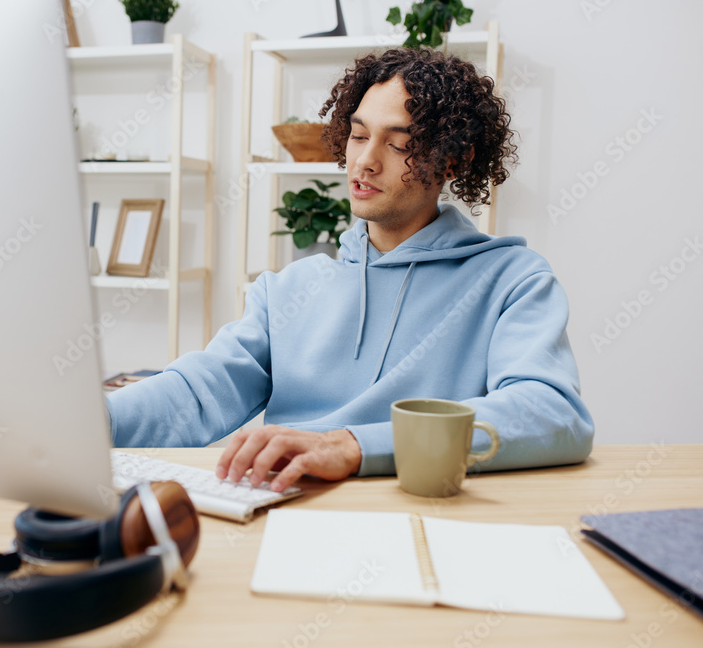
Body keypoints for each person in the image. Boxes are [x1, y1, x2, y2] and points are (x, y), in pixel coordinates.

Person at [107, 47, 593, 492]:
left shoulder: (513, 280)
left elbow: (553, 415)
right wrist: (82, 423)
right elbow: (197, 394)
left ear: (455, 160)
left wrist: (354, 446)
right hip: (286, 510)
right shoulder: (289, 288)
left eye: (398, 144)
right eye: (358, 135)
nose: (364, 161)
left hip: (423, 514)